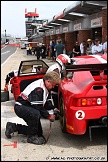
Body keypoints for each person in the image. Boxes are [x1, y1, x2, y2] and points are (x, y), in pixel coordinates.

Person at [5, 71, 61, 145]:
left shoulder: (46, 87)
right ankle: (31, 137)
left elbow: (47, 102)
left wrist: (53, 109)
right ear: (48, 81)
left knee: (38, 132)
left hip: (28, 107)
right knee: (36, 113)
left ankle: (13, 127)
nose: (53, 87)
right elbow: (38, 106)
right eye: (53, 85)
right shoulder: (39, 88)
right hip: (21, 107)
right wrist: (48, 116)